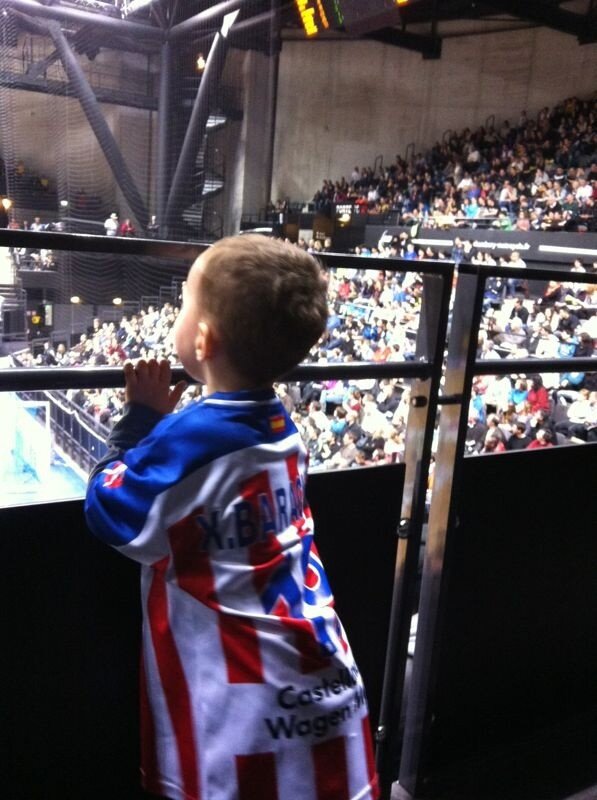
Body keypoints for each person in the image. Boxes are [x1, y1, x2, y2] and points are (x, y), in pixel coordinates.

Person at [85, 235, 378, 800]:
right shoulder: (285, 431)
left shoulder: (191, 439)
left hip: (240, 720)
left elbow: (108, 508)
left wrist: (138, 421)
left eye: (184, 302)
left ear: (202, 338)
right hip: (325, 693)